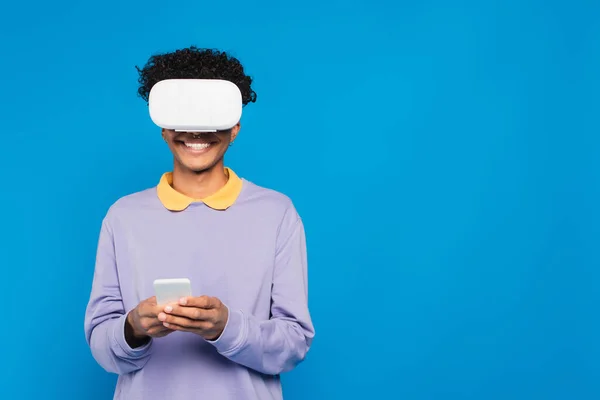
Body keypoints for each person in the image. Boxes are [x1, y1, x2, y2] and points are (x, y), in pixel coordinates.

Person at [84, 46, 315, 400]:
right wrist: (133, 328)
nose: (196, 132)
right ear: (163, 127)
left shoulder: (277, 213)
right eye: (182, 116)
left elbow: (294, 344)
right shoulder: (123, 217)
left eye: (211, 116)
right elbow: (101, 344)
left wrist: (226, 327)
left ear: (235, 126)